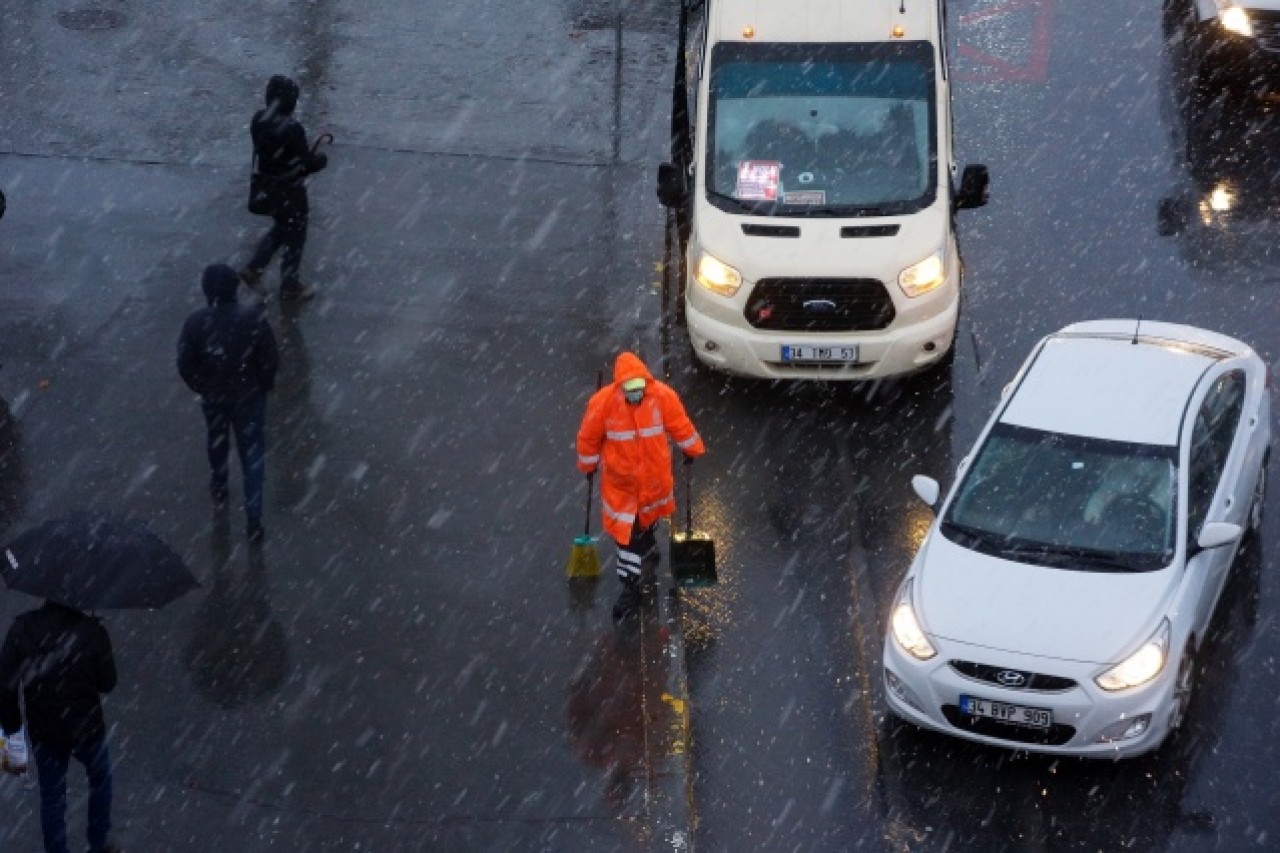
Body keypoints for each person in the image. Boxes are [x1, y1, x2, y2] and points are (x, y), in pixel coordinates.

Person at [576, 352, 705, 619]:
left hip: (653, 482)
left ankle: (648, 546)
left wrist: (691, 448)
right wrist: (587, 466)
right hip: (621, 486)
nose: (636, 394)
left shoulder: (662, 397)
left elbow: (680, 425)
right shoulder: (603, 403)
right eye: (630, 390)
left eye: (639, 389)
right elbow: (588, 438)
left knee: (646, 521)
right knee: (627, 537)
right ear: (620, 386)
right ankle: (630, 587)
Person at [0, 600, 119, 853]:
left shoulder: (22, 628)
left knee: (52, 797)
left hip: (44, 729)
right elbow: (108, 682)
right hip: (87, 727)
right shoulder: (91, 630)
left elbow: (5, 686)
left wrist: (12, 726)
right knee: (101, 779)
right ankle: (98, 844)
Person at [177, 263, 279, 541]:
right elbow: (270, 359)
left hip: (215, 398)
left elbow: (185, 365)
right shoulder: (254, 319)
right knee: (253, 455)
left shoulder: (196, 323)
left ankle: (220, 484)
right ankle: (254, 519)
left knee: (217, 441)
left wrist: (204, 387)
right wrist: (262, 385)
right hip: (249, 397)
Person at [240, 74, 329, 302]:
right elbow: (307, 164)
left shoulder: (257, 120)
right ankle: (290, 285)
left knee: (281, 227)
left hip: (267, 185)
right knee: (296, 236)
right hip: (291, 190)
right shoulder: (292, 128)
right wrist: (320, 159)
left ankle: (255, 267)